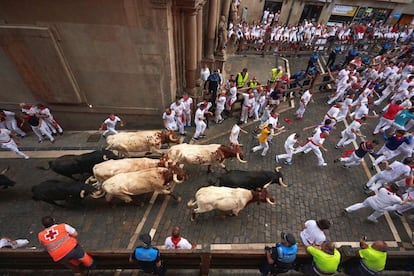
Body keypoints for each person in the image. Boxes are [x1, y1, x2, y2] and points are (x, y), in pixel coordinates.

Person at [344, 184, 409, 223]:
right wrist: (407, 199)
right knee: (381, 212)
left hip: (371, 200)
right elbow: (402, 203)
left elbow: (386, 187)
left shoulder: (382, 189)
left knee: (361, 204)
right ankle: (371, 218)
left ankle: (347, 209)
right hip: (378, 207)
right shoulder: (396, 198)